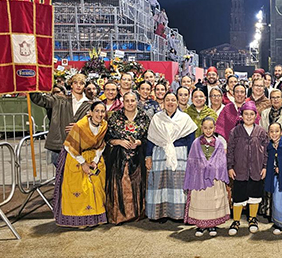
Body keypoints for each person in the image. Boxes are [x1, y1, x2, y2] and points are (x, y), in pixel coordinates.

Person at [53, 101, 108, 228]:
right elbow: (70, 147)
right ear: (90, 112)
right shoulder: (80, 126)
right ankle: (79, 220)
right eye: (97, 111)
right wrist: (83, 163)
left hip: (92, 156)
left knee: (96, 187)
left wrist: (95, 160)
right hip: (75, 156)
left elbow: (100, 145)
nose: (99, 114)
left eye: (102, 111)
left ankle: (94, 217)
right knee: (79, 189)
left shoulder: (104, 125)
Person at [145, 92, 197, 221]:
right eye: (168, 100)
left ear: (177, 102)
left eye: (173, 100)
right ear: (163, 102)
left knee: (177, 185)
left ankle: (178, 214)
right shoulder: (157, 118)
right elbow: (151, 139)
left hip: (180, 154)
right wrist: (148, 156)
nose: (170, 102)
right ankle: (161, 213)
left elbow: (191, 138)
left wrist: (191, 157)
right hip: (160, 154)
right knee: (160, 183)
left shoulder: (184, 118)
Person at [105, 92, 151, 224]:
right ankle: (119, 216)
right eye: (127, 101)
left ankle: (135, 214)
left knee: (136, 185)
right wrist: (118, 142)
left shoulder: (144, 117)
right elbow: (107, 137)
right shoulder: (115, 117)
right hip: (118, 158)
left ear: (137, 101)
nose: (130, 103)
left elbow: (149, 138)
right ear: (123, 102)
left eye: (133, 100)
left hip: (138, 158)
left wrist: (139, 143)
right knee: (119, 186)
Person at [227, 101, 269, 236]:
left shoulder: (261, 132)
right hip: (239, 170)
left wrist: (264, 167)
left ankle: (252, 219)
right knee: (239, 197)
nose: (249, 117)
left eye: (252, 114)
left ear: (256, 115)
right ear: (241, 115)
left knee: (254, 196)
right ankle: (236, 220)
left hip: (256, 169)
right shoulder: (235, 131)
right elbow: (230, 151)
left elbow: (266, 151)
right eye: (246, 114)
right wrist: (230, 167)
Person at [31, 74, 91, 167]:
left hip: (81, 148)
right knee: (60, 178)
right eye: (75, 83)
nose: (78, 85)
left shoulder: (90, 104)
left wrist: (80, 127)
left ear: (85, 86)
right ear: (71, 85)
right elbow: (40, 100)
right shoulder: (59, 100)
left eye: (81, 83)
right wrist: (31, 86)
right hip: (60, 146)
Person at [184, 117, 230, 237]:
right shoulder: (196, 143)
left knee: (213, 201)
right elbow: (192, 160)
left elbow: (222, 161)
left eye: (211, 128)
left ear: (215, 128)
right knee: (200, 201)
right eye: (205, 128)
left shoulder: (219, 143)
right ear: (201, 128)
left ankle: (212, 225)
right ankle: (200, 225)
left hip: (214, 178)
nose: (208, 130)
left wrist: (213, 167)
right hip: (199, 178)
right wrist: (201, 166)